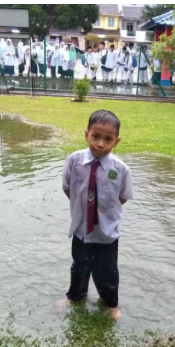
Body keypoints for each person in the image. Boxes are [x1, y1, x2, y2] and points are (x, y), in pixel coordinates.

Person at [60, 110, 132, 320]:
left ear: (116, 141)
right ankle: (75, 296)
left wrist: (103, 212)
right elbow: (67, 188)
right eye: (96, 137)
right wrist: (83, 209)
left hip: (107, 232)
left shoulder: (121, 169)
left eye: (108, 139)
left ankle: (112, 305)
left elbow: (123, 196)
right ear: (86, 134)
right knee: (79, 265)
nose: (100, 144)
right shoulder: (74, 161)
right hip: (81, 228)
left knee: (108, 269)